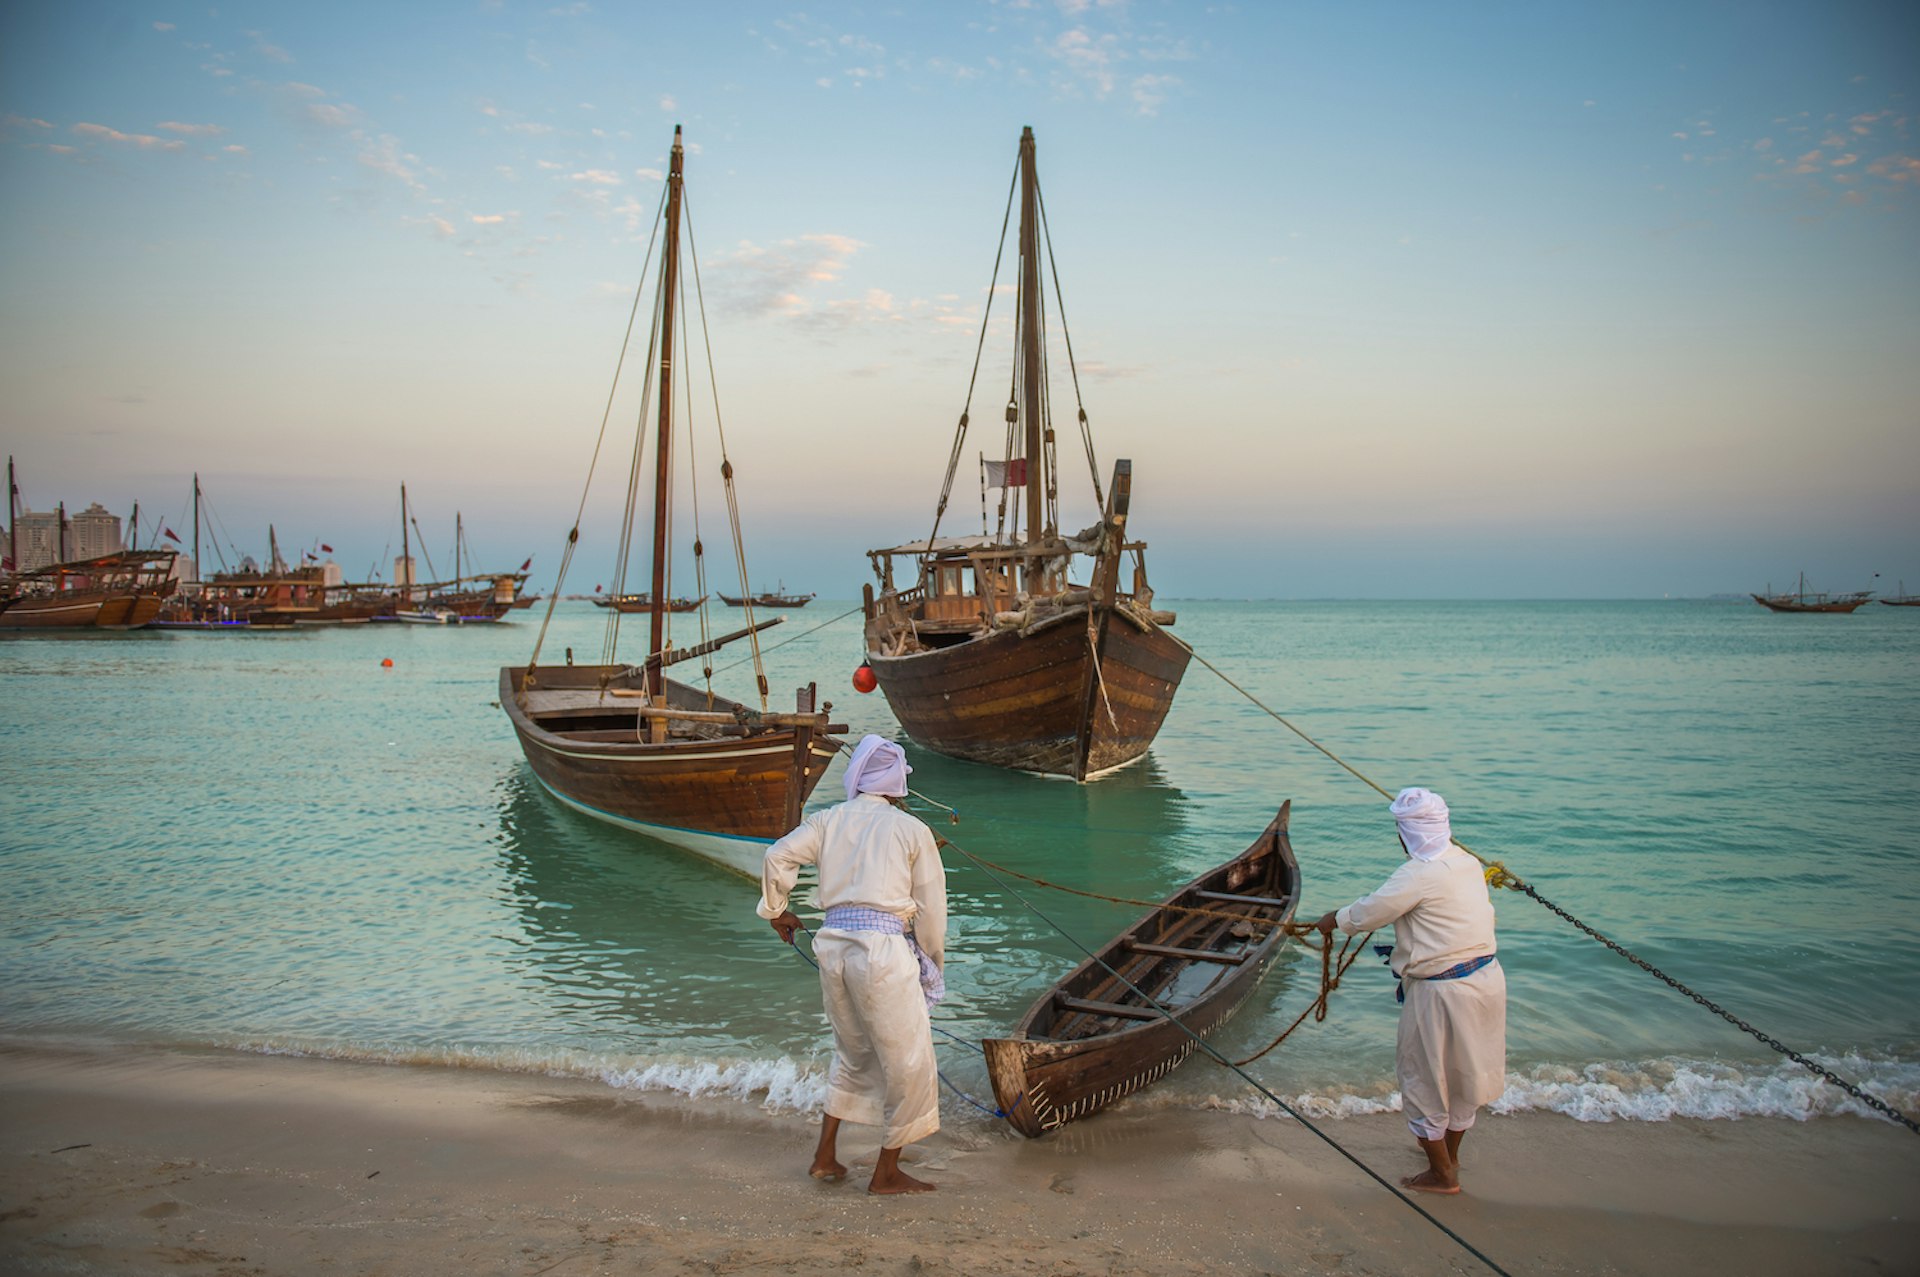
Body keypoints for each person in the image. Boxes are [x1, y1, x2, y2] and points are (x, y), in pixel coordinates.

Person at [758, 735, 947, 1195]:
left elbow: (776, 854)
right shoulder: (912, 830)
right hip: (882, 953)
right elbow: (931, 910)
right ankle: (886, 1173)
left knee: (852, 1053)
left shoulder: (828, 819)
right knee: (910, 1063)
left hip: (834, 948)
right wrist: (932, 962)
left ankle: (825, 1157)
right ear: (896, 784)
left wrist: (776, 910)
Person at [1314, 787, 1505, 1195]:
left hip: (1442, 993)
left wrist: (1334, 919)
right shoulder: (1467, 862)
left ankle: (1442, 1174)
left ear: (1406, 833)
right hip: (1486, 980)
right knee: (1464, 1075)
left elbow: (1370, 913)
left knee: (1423, 1077)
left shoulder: (1417, 875)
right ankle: (1448, 1156)